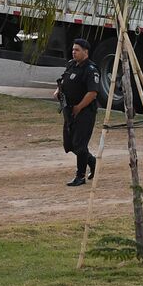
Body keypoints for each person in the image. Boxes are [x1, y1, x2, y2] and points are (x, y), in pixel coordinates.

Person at [55, 38, 100, 187]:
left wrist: (79, 107)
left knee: (80, 145)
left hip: (84, 112)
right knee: (69, 144)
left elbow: (92, 92)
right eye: (73, 50)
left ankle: (80, 176)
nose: (74, 52)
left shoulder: (90, 69)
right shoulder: (71, 64)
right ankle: (92, 161)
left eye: (77, 50)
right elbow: (63, 80)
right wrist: (58, 91)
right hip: (69, 111)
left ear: (85, 52)